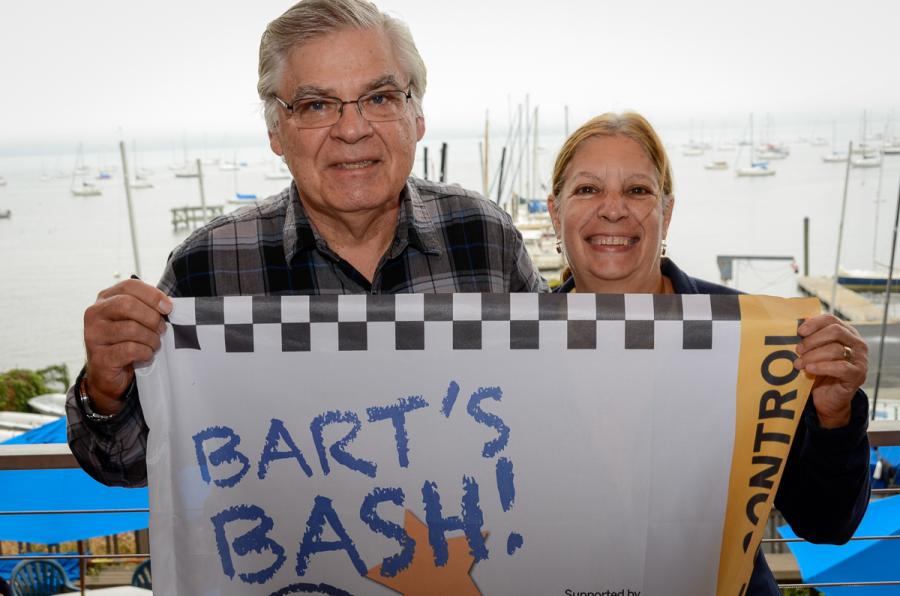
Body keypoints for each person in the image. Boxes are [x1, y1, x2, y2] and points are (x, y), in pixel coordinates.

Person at [66, 0, 543, 488]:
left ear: (416, 116)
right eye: (316, 105)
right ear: (275, 132)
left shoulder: (485, 236)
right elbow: (127, 465)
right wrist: (105, 390)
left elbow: (554, 406)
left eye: (380, 97)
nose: (352, 130)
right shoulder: (207, 265)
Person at [548, 112, 871, 595]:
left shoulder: (752, 336)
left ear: (667, 213)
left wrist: (834, 416)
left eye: (637, 190)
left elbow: (827, 522)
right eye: (588, 189)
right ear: (556, 213)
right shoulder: (510, 348)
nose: (612, 209)